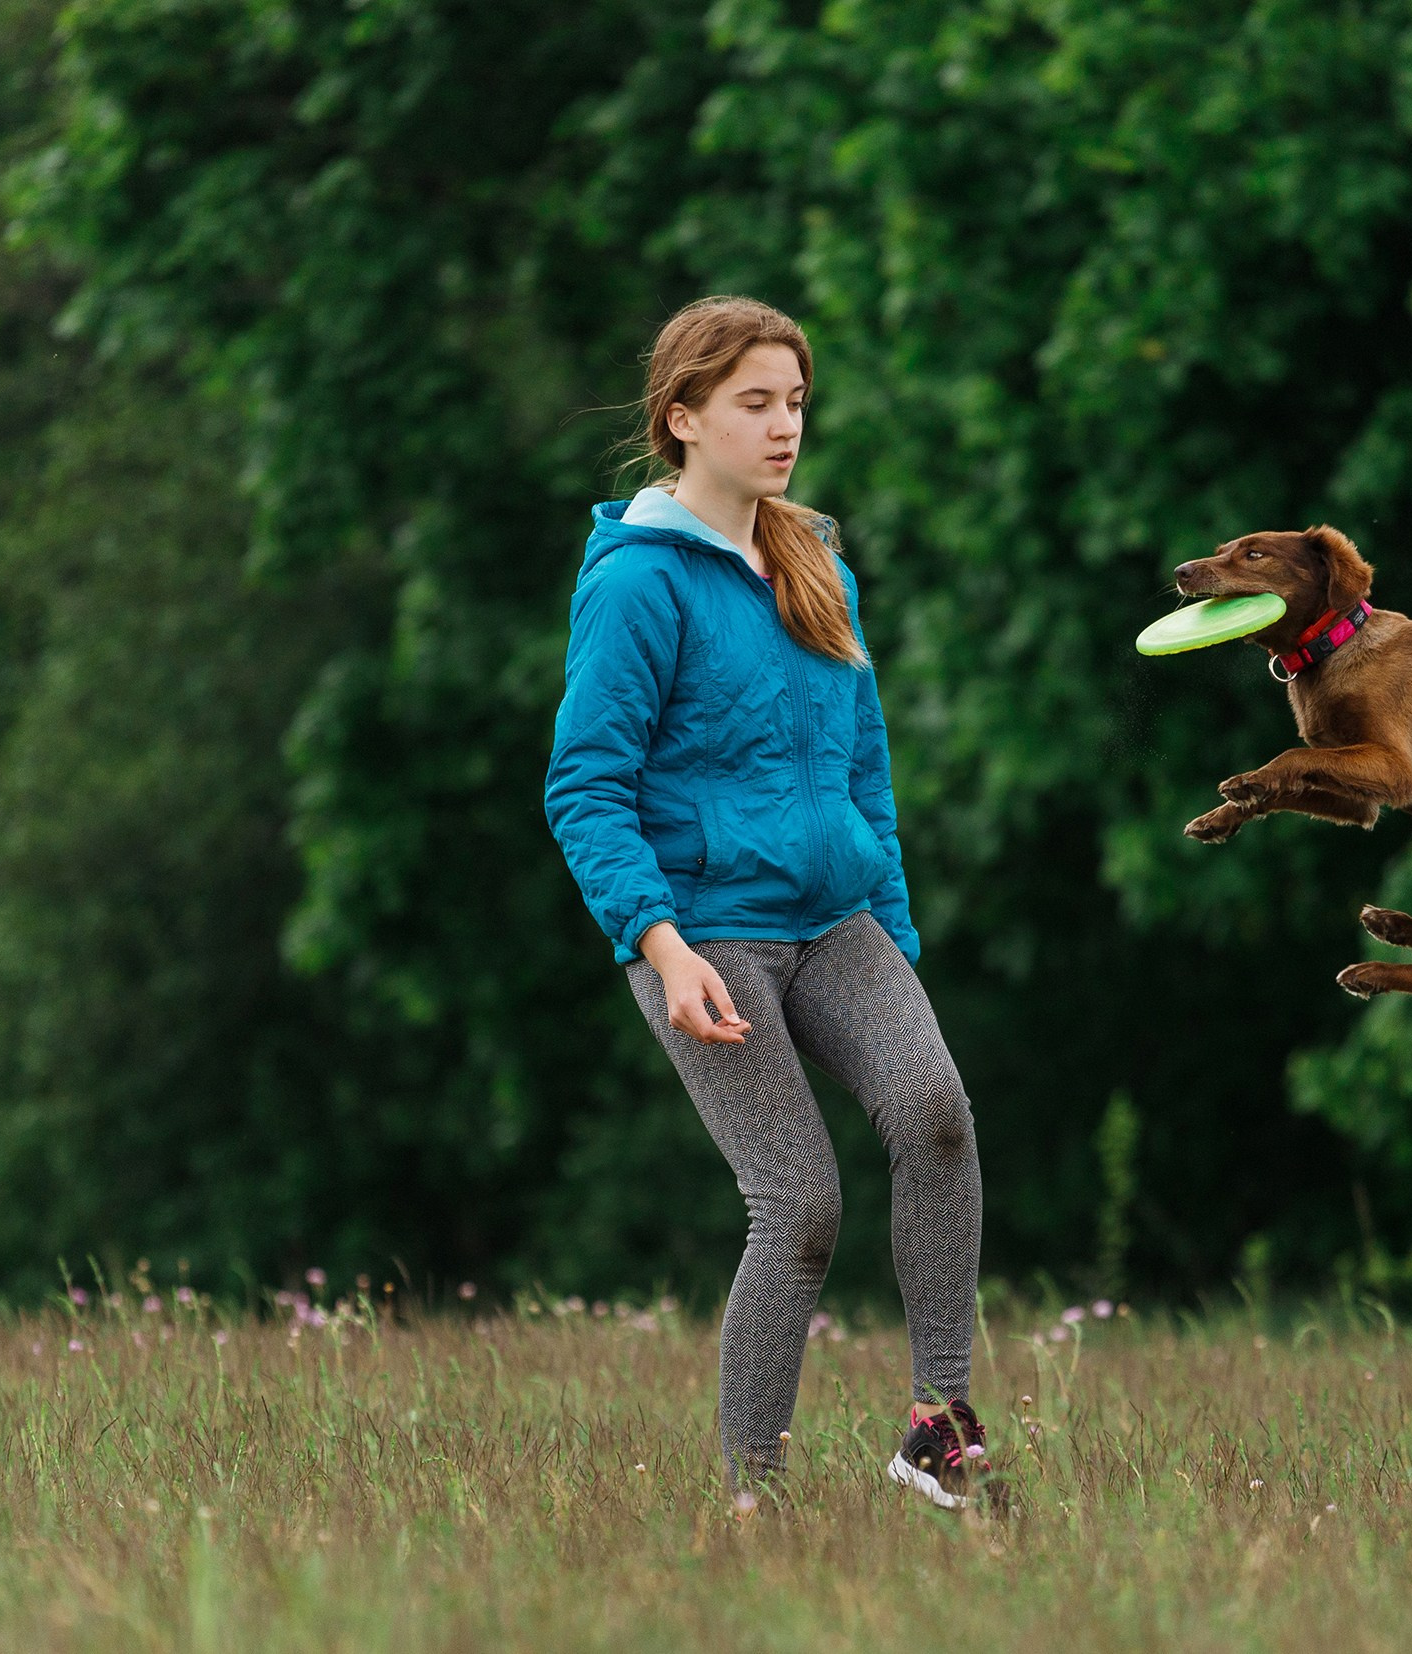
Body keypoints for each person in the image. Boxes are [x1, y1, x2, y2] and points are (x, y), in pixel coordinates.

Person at [544, 295, 988, 1507]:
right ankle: (754, 1495)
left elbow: (864, 774)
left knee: (935, 1111)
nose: (783, 425)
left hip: (835, 921)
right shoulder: (638, 584)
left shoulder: (814, 562)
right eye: (753, 403)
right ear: (681, 418)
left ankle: (936, 1430)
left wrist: (892, 944)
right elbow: (585, 784)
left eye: (793, 400)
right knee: (798, 1204)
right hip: (701, 931)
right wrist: (658, 941)